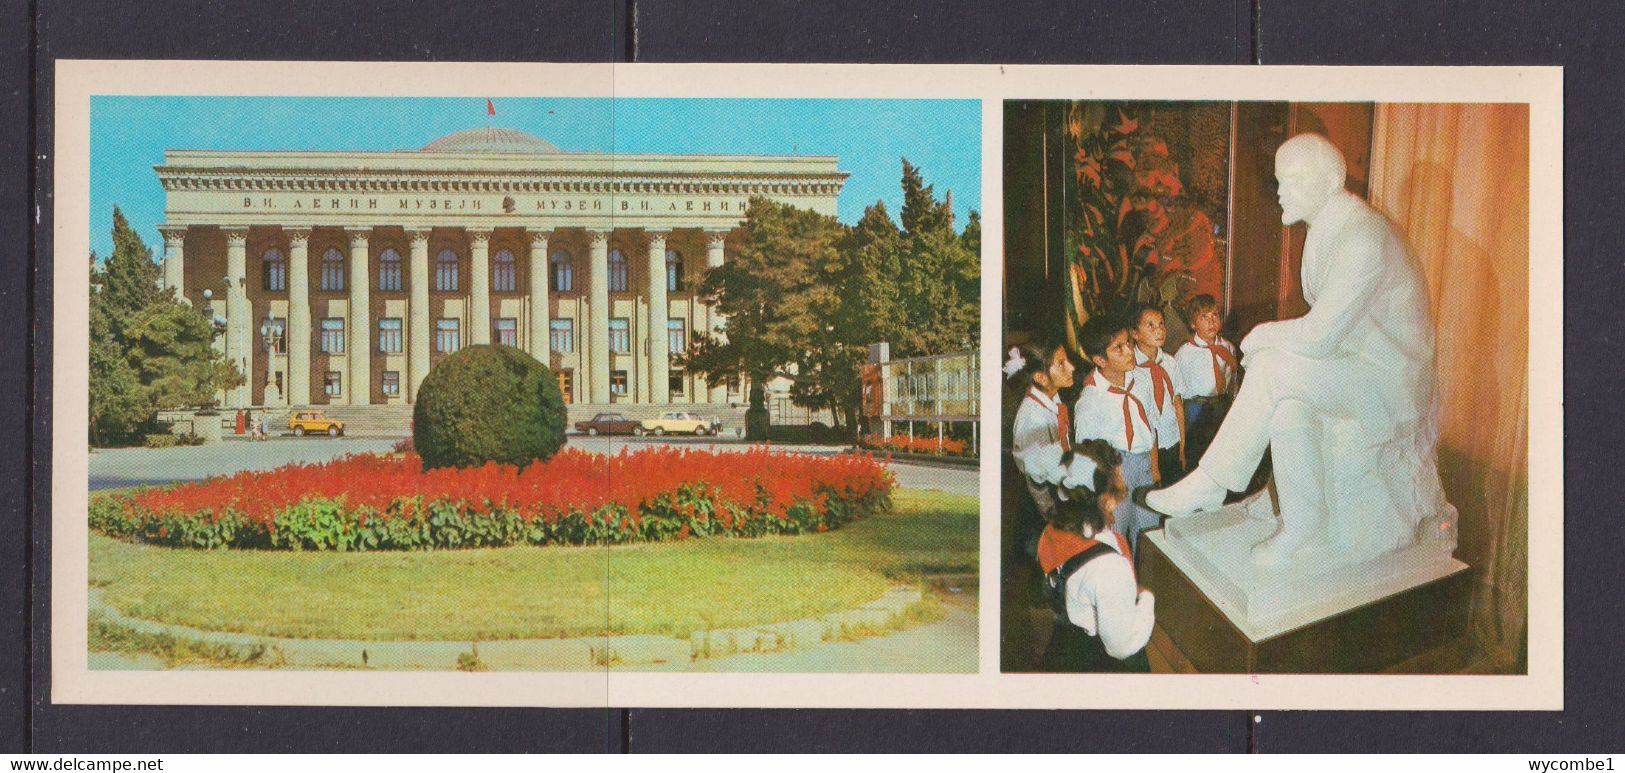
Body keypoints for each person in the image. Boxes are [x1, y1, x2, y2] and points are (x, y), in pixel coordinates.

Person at [1147, 133, 1445, 567]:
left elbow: (1320, 335)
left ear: (1329, 181)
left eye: (1292, 181)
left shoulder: (1362, 238)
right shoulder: (1330, 227)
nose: (1280, 191)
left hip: (1390, 385)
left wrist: (1264, 334)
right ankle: (1304, 525)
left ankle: (1211, 481)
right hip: (1353, 369)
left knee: (1271, 367)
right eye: (1279, 180)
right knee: (1287, 405)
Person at [1036, 439, 1155, 673]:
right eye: (1119, 479)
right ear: (1107, 500)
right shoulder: (1108, 568)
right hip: (1098, 660)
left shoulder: (1052, 530)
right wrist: (1146, 600)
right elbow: (1122, 647)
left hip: (1065, 643)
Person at [1073, 315, 1160, 552]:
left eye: (1128, 344)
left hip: (1144, 465)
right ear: (1099, 359)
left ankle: (1145, 584)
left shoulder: (1141, 379)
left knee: (1149, 533)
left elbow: (1149, 425)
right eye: (1118, 348)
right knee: (1116, 537)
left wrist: (1154, 467)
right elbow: (1089, 457)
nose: (1129, 351)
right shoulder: (1090, 401)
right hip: (1115, 472)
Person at [1005, 335, 1096, 529]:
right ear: (1041, 377)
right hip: (1045, 504)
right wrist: (1054, 519)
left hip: (1060, 490)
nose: (1072, 367)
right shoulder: (1033, 418)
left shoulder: (1051, 397)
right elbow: (1036, 483)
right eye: (1061, 364)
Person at [1173, 294, 1238, 470]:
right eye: (1204, 317)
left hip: (1222, 404)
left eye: (1214, 315)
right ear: (1193, 324)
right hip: (1196, 407)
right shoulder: (1185, 354)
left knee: (1221, 450)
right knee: (1197, 452)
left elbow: (1233, 377)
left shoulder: (1228, 347)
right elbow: (1178, 387)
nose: (1211, 322)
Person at [1132, 304, 1186, 483]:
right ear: (1135, 333)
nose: (1159, 330)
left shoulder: (1170, 362)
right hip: (1146, 449)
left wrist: (1182, 446)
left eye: (1161, 324)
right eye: (1150, 326)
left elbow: (1177, 403)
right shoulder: (1130, 368)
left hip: (1172, 440)